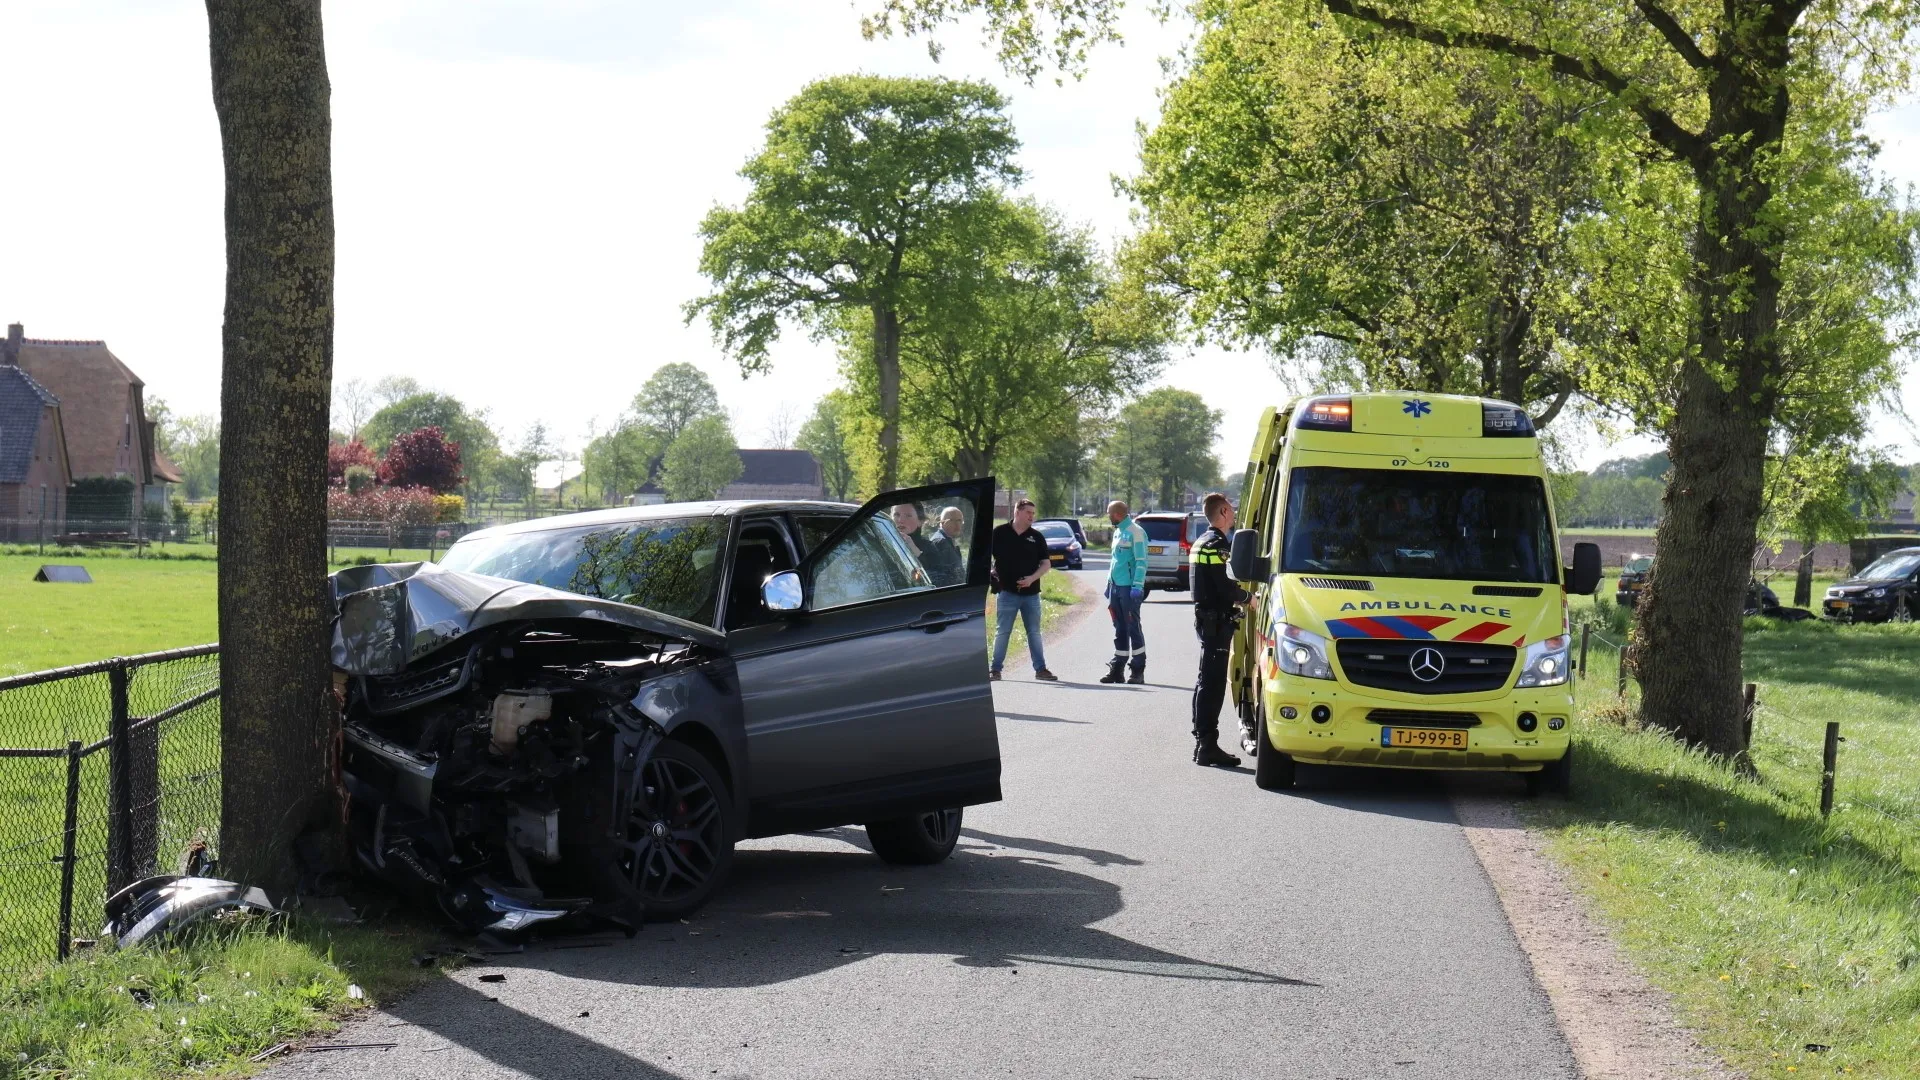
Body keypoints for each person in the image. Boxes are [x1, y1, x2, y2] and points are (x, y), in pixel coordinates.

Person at [1189, 492, 1244, 768]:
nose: (1233, 515)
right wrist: (1248, 598)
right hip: (1216, 621)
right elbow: (1224, 585)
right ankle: (1207, 746)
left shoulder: (1201, 541)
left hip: (1206, 619)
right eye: (1231, 510)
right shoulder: (1217, 544)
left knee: (1205, 681)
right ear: (1222, 511)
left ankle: (1203, 742)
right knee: (1212, 684)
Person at [988, 499, 1057, 681]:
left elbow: (1046, 563)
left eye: (1033, 513)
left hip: (1031, 594)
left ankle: (1041, 669)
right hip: (1006, 592)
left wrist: (1032, 579)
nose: (1031, 517)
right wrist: (990, 572)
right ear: (1017, 512)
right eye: (1028, 513)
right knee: (1003, 631)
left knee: (1033, 632)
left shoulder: (1037, 537)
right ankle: (995, 670)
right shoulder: (999, 533)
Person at [1101, 500, 1148, 685]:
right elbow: (1115, 561)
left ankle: (1137, 670)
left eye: (1109, 513)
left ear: (1117, 514)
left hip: (1129, 588)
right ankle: (1117, 669)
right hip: (1116, 587)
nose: (1108, 516)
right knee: (1119, 628)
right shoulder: (1118, 531)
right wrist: (1108, 583)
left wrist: (1137, 586)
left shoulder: (1136, 532)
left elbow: (1141, 561)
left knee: (1132, 628)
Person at [918, 505, 968, 587]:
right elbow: (942, 575)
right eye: (951, 520)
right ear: (942, 522)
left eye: (959, 520)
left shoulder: (947, 541)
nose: (957, 524)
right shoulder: (941, 542)